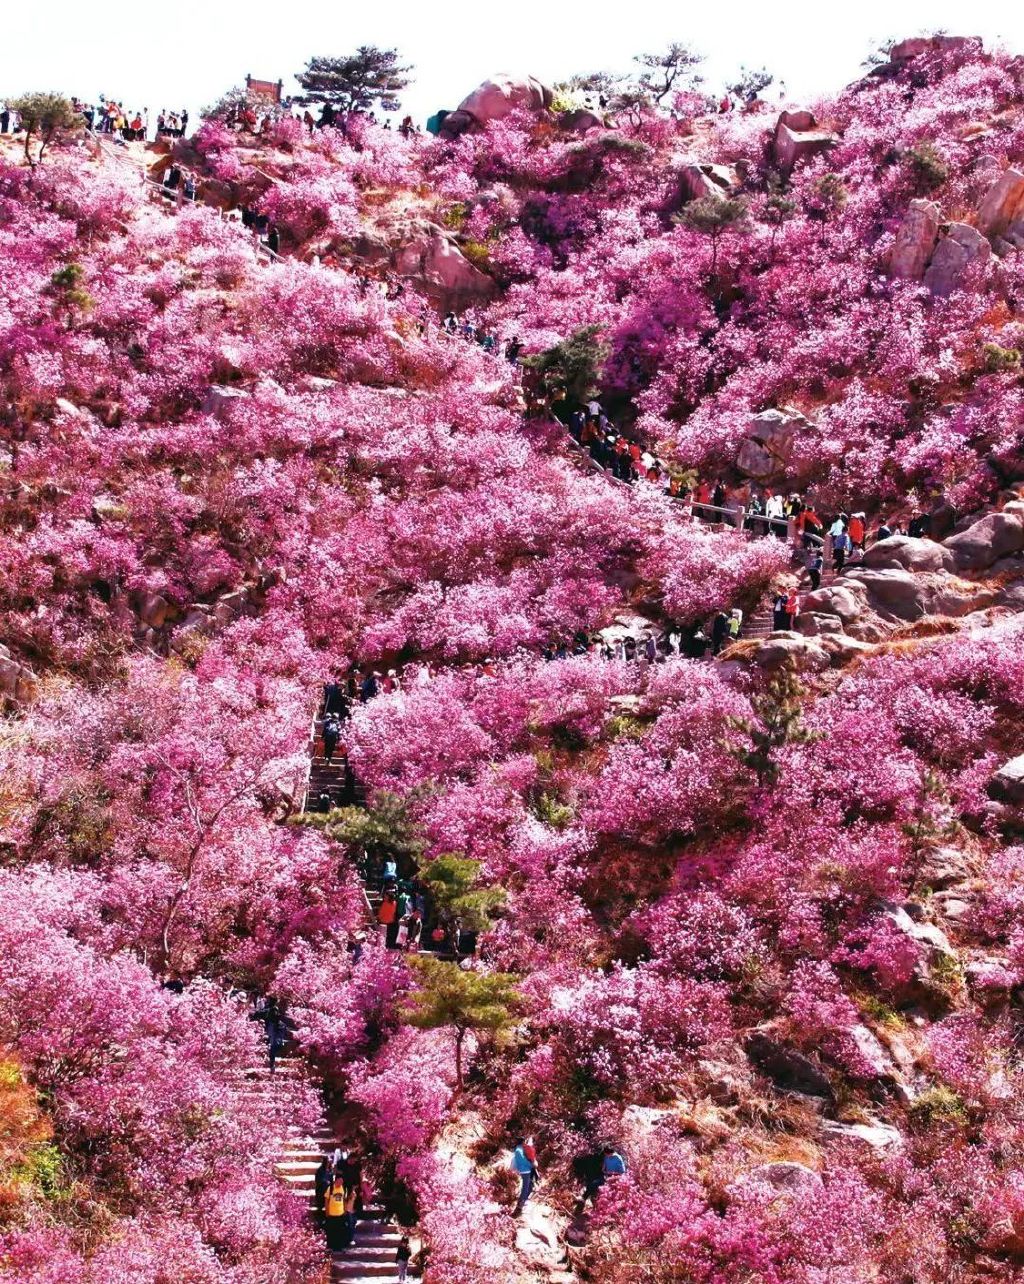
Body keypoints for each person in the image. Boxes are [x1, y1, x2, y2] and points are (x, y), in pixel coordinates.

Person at [511, 1137, 538, 1213]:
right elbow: (522, 1162)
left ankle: (523, 1202)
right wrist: (531, 1165)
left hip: (526, 1170)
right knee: (525, 1187)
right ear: (522, 1141)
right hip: (524, 1170)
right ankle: (520, 1204)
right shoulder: (518, 1150)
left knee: (529, 1185)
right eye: (524, 1141)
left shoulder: (520, 1149)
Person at [324, 1171, 349, 1251]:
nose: (340, 1183)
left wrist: (345, 1210)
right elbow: (326, 1200)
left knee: (340, 1231)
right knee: (332, 1231)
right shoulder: (330, 1188)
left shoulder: (344, 1189)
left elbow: (344, 1200)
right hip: (332, 1214)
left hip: (340, 1213)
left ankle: (339, 1247)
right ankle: (331, 1246)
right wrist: (327, 1211)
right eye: (339, 1181)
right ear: (336, 1180)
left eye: (342, 1181)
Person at [314, 1154, 334, 1218]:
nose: (329, 1162)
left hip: (328, 1189)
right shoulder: (320, 1170)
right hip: (321, 1189)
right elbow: (318, 1180)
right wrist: (325, 1182)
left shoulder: (330, 1170)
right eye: (328, 1161)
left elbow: (331, 1180)